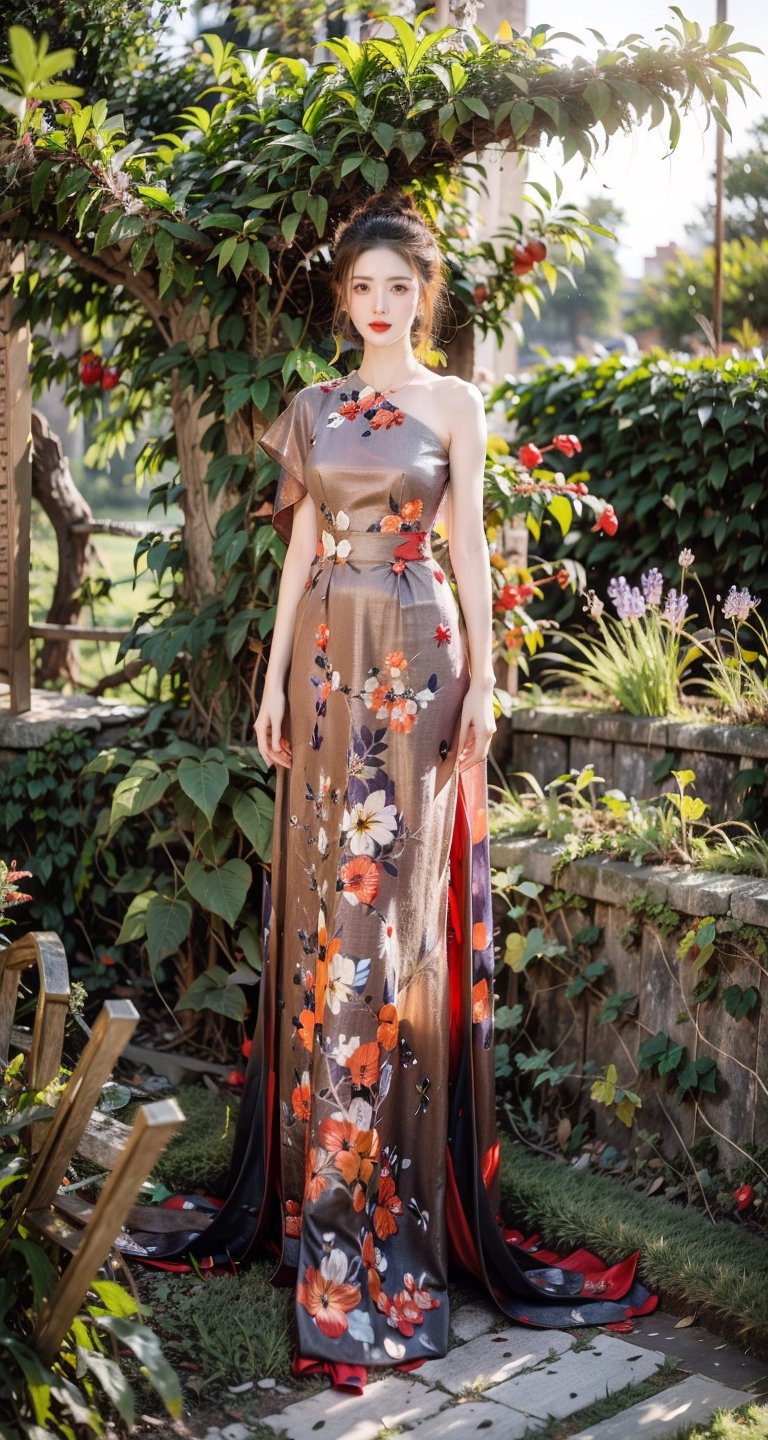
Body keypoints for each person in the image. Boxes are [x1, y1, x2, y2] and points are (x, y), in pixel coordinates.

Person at [130, 188, 656, 1391]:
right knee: (326, 907)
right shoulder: (313, 409)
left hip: (421, 664)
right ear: (343, 300)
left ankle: (383, 1197)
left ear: (427, 298)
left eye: (399, 289)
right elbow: (299, 554)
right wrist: (268, 680)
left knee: (393, 918)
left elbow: (471, 545)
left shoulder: (456, 402)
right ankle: (321, 1182)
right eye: (362, 290)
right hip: (322, 662)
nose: (379, 307)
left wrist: (487, 683)